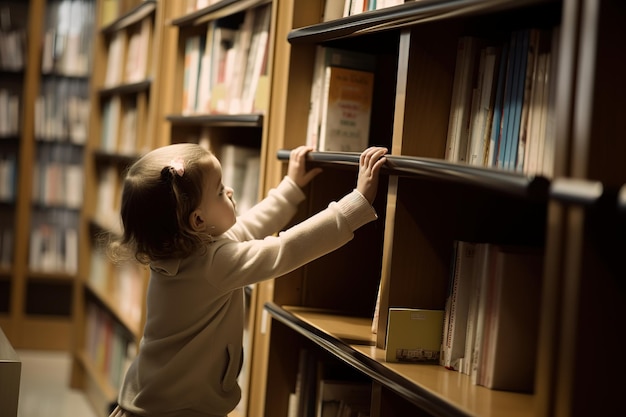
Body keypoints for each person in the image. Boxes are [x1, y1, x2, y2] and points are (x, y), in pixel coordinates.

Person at [107, 143, 388, 417]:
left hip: (157, 399)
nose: (229, 191)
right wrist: (356, 205)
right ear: (198, 220)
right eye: (219, 191)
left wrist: (291, 187)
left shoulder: (186, 251)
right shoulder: (213, 264)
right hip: (176, 410)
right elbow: (284, 250)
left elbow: (248, 227)